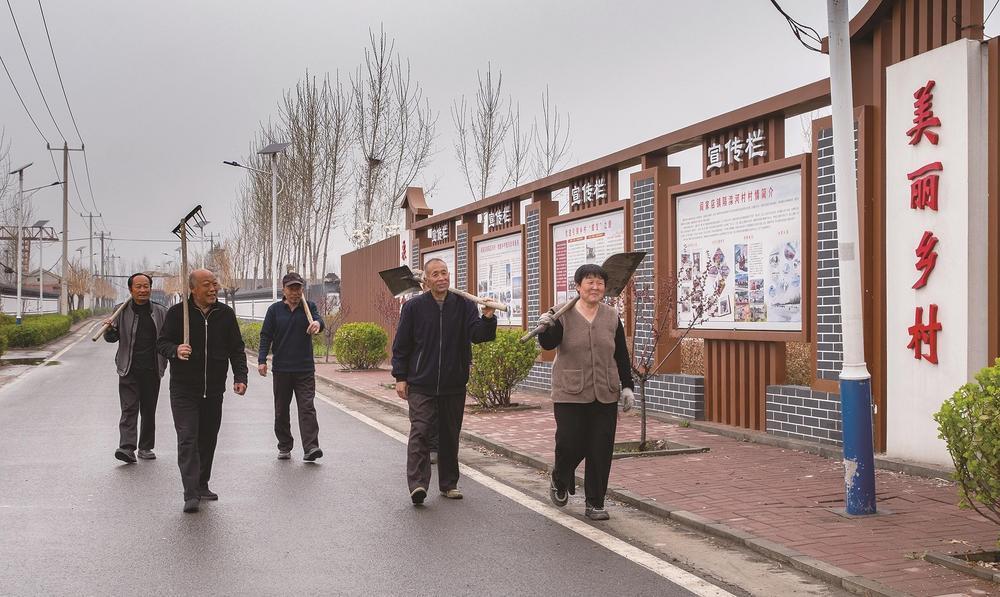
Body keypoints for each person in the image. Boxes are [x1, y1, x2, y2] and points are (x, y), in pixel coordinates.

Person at [392, 257, 497, 505]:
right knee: (420, 431)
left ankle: (449, 484)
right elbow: (402, 345)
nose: (441, 278)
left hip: (453, 382)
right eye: (436, 274)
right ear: (426, 281)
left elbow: (478, 335)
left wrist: (488, 318)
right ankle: (418, 484)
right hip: (421, 382)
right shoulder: (414, 307)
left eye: (444, 273)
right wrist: (400, 377)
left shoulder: (463, 305)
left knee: (450, 434)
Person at [536, 263, 635, 521]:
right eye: (589, 282)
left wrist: (627, 386)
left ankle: (595, 502)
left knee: (600, 448)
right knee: (569, 443)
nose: (595, 287)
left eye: (600, 283)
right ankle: (560, 478)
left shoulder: (611, 316)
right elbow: (548, 344)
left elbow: (621, 354)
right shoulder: (561, 313)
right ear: (578, 286)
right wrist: (546, 327)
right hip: (570, 392)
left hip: (605, 391)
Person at [156, 268, 248, 513]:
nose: (213, 289)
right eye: (207, 284)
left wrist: (240, 376)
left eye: (214, 284)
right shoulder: (178, 314)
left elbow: (236, 348)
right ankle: (190, 492)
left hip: (214, 390)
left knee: (208, 439)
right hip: (184, 389)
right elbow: (162, 343)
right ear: (193, 289)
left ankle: (202, 483)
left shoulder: (225, 314)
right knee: (188, 438)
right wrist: (176, 350)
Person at [258, 272, 324, 461]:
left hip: (304, 369)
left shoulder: (309, 307)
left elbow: (320, 321)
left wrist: (317, 324)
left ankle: (311, 447)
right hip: (282, 369)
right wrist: (262, 360)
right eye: (291, 288)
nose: (295, 292)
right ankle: (284, 445)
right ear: (284, 290)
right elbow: (266, 335)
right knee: (281, 410)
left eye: (298, 288)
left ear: (302, 290)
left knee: (307, 407)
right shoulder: (274, 310)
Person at [103, 273, 168, 463]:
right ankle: (127, 447)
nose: (143, 290)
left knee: (148, 410)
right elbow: (111, 338)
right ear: (130, 290)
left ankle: (145, 447)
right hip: (128, 367)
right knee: (129, 408)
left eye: (146, 286)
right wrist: (110, 329)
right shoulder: (120, 310)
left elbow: (168, 339)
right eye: (138, 287)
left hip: (153, 368)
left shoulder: (161, 312)